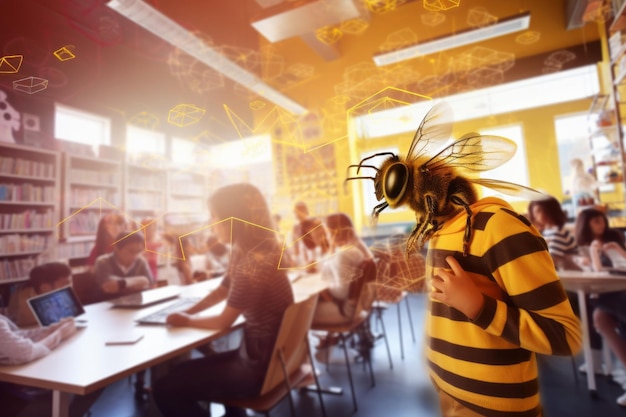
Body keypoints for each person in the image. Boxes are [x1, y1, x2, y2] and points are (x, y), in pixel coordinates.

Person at [426, 195, 582, 416]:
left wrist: (478, 306)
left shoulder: (498, 227)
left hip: (494, 405)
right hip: (447, 390)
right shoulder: (439, 231)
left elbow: (565, 335)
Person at [153, 183, 294, 417]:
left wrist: (187, 320)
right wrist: (191, 310)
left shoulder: (253, 262)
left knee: (165, 388)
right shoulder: (254, 248)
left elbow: (223, 322)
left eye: (214, 216)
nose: (211, 223)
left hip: (257, 368)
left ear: (232, 219)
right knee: (179, 371)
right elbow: (223, 289)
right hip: (271, 360)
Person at [0, 262, 101, 417]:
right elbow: (26, 351)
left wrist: (49, 330)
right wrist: (59, 334)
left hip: (13, 389)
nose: (70, 287)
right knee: (90, 383)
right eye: (66, 283)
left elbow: (17, 335)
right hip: (10, 399)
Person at [575, 207, 626, 404]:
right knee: (599, 316)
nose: (601, 225)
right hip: (607, 294)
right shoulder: (584, 246)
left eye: (602, 220)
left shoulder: (614, 236)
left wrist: (617, 249)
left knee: (599, 307)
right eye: (596, 222)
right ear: (586, 225)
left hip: (619, 290)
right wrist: (589, 256)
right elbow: (595, 271)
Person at [312, 212, 375, 362]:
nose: (325, 237)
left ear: (335, 233)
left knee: (301, 313)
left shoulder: (344, 255)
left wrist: (323, 288)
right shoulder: (354, 250)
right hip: (357, 308)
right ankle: (327, 343)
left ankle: (306, 363)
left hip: (345, 311)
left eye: (327, 232)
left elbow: (341, 293)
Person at [93, 231, 155, 300]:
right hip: (108, 306)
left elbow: (150, 284)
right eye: (131, 251)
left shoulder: (141, 261)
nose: (135, 256)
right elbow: (109, 285)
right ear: (116, 248)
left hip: (136, 306)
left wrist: (121, 284)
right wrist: (141, 281)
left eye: (139, 251)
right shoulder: (103, 261)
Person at [527, 196, 583, 271]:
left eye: (538, 211)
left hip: (574, 276)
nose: (535, 215)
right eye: (534, 212)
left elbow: (552, 261)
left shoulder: (558, 233)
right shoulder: (546, 232)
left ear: (550, 210)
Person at [292, 201, 330, 270]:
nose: (297, 214)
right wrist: (296, 260)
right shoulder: (296, 227)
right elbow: (296, 246)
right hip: (307, 258)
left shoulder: (315, 222)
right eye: (295, 212)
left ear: (305, 211)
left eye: (300, 211)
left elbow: (324, 242)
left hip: (320, 255)